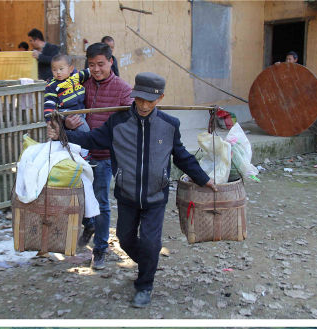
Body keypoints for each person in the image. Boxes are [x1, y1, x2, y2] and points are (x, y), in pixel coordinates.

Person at [49, 72, 218, 307]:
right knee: (125, 239)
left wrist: (203, 179)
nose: (144, 105)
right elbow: (92, 139)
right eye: (140, 99)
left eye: (150, 100)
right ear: (133, 96)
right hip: (127, 194)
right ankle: (148, 263)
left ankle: (144, 285)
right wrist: (63, 134)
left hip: (155, 195)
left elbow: (182, 156)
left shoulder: (170, 125)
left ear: (160, 98)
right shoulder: (118, 123)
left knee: (150, 242)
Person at [63, 42, 132, 271]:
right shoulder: (81, 85)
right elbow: (66, 107)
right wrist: (67, 122)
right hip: (79, 153)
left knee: (101, 202)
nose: (96, 69)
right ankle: (89, 225)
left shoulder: (123, 89)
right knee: (79, 197)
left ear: (111, 62)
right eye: (91, 65)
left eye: (100, 64)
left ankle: (100, 249)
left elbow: (131, 120)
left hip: (104, 155)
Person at [44, 53, 98, 243]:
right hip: (65, 116)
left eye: (61, 69)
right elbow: (49, 106)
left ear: (70, 68)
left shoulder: (76, 77)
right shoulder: (52, 86)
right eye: (54, 70)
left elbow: (90, 72)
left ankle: (88, 223)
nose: (58, 73)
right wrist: (52, 121)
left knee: (84, 132)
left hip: (80, 114)